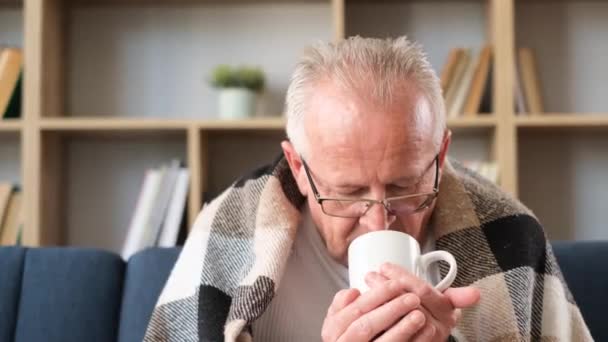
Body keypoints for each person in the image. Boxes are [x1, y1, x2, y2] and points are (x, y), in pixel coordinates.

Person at [144, 36, 591, 342]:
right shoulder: (226, 231)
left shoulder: (509, 233)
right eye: (347, 193)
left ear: (440, 156)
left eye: (404, 186)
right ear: (299, 167)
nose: (378, 219)